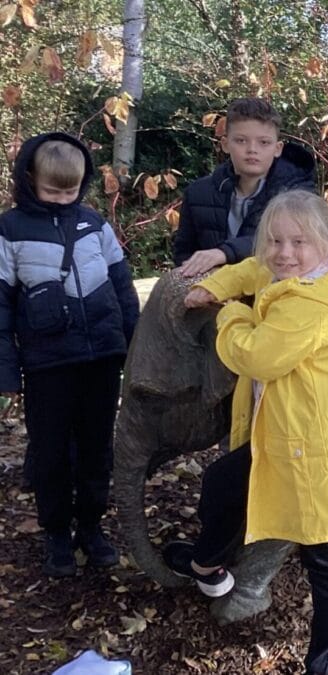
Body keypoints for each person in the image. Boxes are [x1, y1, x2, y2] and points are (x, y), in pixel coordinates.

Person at [169, 191, 328, 675]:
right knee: (223, 483)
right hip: (286, 438)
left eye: (298, 242)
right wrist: (219, 283)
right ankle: (208, 565)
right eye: (275, 240)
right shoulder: (318, 269)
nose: (284, 252)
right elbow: (255, 270)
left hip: (321, 455)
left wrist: (228, 313)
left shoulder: (310, 307)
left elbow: (251, 354)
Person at [0, 133, 140, 577]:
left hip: (101, 358)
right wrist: (7, 372)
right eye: (52, 191)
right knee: (51, 451)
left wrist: (134, 345)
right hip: (47, 364)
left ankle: (92, 526)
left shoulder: (94, 224)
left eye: (71, 191)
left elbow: (122, 286)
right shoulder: (11, 230)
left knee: (98, 447)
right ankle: (57, 531)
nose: (63, 200)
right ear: (29, 181)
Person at [172, 97, 316, 278]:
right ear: (225, 144)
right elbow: (184, 255)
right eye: (241, 141)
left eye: (264, 142)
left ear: (278, 148)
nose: (252, 150)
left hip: (279, 289)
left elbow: (288, 244)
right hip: (211, 292)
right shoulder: (198, 193)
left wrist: (225, 253)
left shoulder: (299, 195)